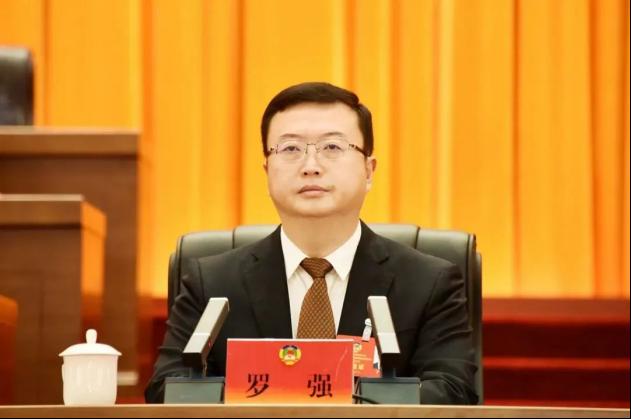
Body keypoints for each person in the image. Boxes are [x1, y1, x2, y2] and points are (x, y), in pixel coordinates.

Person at [145, 82, 478, 404]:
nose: (311, 166)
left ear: (369, 170)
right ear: (267, 170)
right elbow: (167, 390)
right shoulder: (211, 283)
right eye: (290, 149)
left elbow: (452, 391)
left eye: (332, 147)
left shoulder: (428, 283)